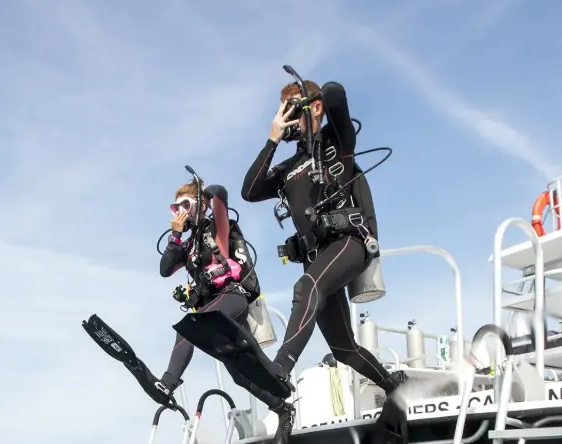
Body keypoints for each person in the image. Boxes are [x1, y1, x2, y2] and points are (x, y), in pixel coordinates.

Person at [239, 77, 403, 399]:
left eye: (291, 111)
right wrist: (272, 140)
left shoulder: (336, 144)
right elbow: (249, 191)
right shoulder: (288, 167)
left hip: (349, 244)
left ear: (314, 108)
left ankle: (281, 367)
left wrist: (313, 110)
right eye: (281, 112)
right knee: (344, 349)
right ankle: (393, 386)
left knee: (305, 287)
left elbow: (334, 94)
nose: (286, 118)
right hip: (317, 258)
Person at [154, 180, 261, 399]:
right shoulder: (189, 245)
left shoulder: (217, 227)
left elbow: (220, 194)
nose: (180, 212)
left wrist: (204, 195)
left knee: (188, 327)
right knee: (239, 373)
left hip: (231, 297)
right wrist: (175, 236)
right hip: (212, 308)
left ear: (201, 204)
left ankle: (167, 383)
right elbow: (165, 269)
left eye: (185, 205)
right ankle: (281, 407)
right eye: (176, 207)